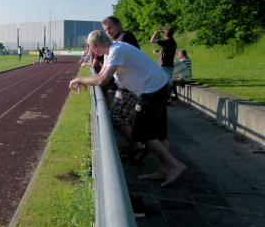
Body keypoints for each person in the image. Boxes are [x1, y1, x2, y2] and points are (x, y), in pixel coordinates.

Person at [69, 30, 186, 187]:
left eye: (90, 47)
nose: (90, 51)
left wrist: (79, 79)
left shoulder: (117, 50)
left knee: (141, 133)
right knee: (157, 132)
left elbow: (103, 80)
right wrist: (86, 81)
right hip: (157, 86)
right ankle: (164, 169)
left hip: (154, 89)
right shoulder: (111, 50)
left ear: (95, 46)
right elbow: (100, 76)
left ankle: (175, 165)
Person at [101, 16, 142, 159]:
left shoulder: (125, 38)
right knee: (124, 118)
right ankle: (134, 147)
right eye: (105, 30)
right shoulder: (120, 40)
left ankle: (137, 146)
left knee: (117, 117)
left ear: (119, 24)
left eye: (110, 27)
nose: (108, 31)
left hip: (133, 86)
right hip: (130, 84)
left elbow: (116, 66)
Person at [150, 27, 177, 99]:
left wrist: (156, 32)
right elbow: (165, 51)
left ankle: (166, 99)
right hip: (170, 65)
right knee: (167, 81)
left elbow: (152, 41)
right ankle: (168, 98)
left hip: (164, 65)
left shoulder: (166, 42)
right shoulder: (173, 42)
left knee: (163, 82)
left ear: (165, 34)